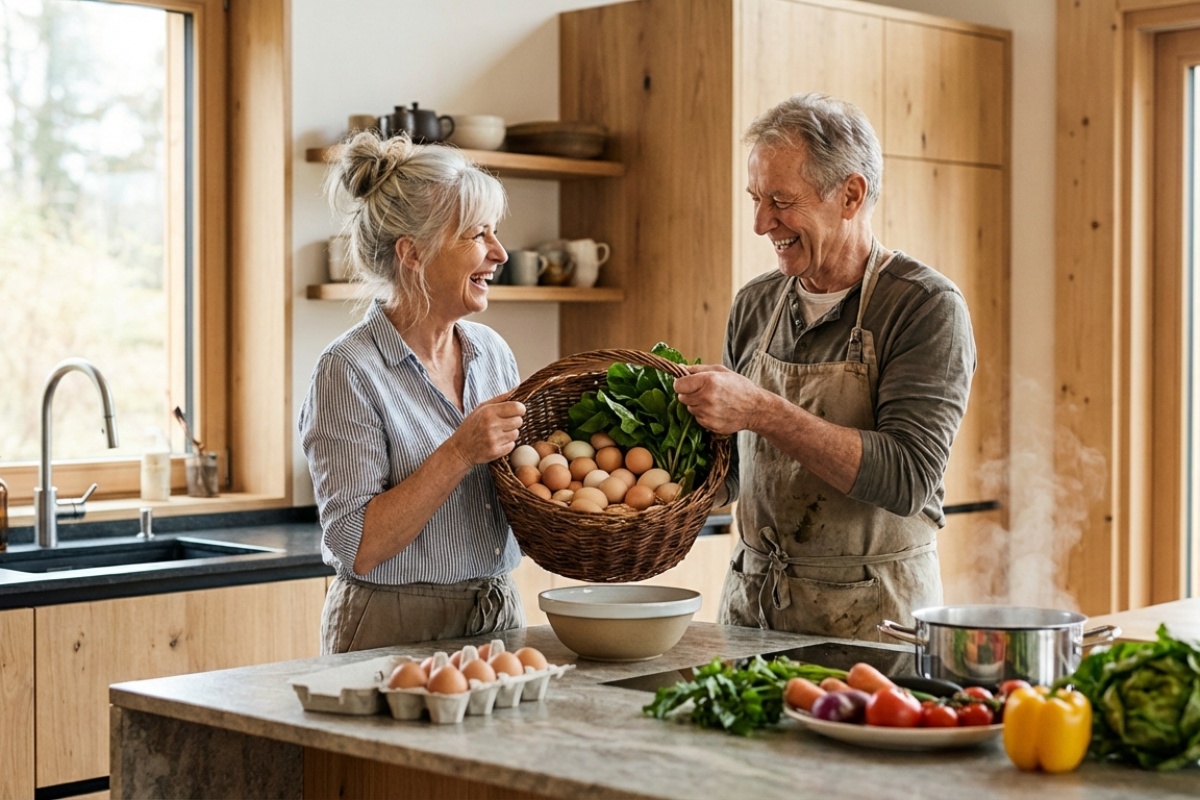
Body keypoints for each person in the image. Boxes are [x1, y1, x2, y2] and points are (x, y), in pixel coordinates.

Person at [674, 93, 976, 640]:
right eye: (756, 199)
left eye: (781, 200)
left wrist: (762, 410)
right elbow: (736, 474)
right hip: (751, 614)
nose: (762, 222)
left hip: (873, 626)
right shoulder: (755, 304)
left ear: (851, 195)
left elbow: (907, 477)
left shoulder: (924, 306)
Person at [300, 132, 527, 654]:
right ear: (413, 254)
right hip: (392, 623)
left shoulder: (492, 353)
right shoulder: (348, 370)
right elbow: (355, 544)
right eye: (477, 235)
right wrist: (460, 450)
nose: (499, 252)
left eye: (494, 233)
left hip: (496, 611)